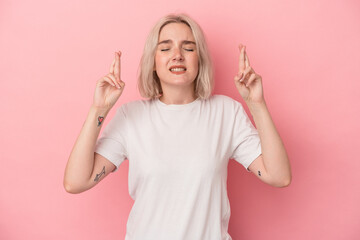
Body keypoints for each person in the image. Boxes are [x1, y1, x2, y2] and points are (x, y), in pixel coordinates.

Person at [64, 13, 291, 240]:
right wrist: (98, 109)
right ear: (152, 62)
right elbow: (75, 182)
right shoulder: (130, 116)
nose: (177, 56)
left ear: (199, 59)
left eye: (188, 48)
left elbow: (279, 176)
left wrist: (256, 104)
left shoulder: (226, 113)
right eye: (165, 48)